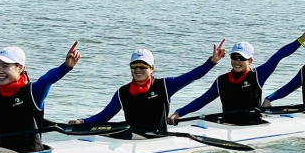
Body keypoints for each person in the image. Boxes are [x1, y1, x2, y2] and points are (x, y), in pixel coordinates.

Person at [169, 23, 305, 125]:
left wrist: (301, 40)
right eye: (234, 57)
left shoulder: (258, 75)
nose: (237, 62)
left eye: (241, 58)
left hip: (253, 126)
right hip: (227, 124)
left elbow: (278, 55)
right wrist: (179, 113)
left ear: (250, 60)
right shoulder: (222, 81)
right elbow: (202, 101)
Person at [70, 40, 227, 134]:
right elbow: (104, 117)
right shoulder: (122, 92)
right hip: (133, 136)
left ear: (152, 69)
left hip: (158, 138)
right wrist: (83, 122)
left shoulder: (165, 86)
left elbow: (191, 76)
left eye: (143, 66)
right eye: (135, 66)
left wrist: (212, 61)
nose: (138, 70)